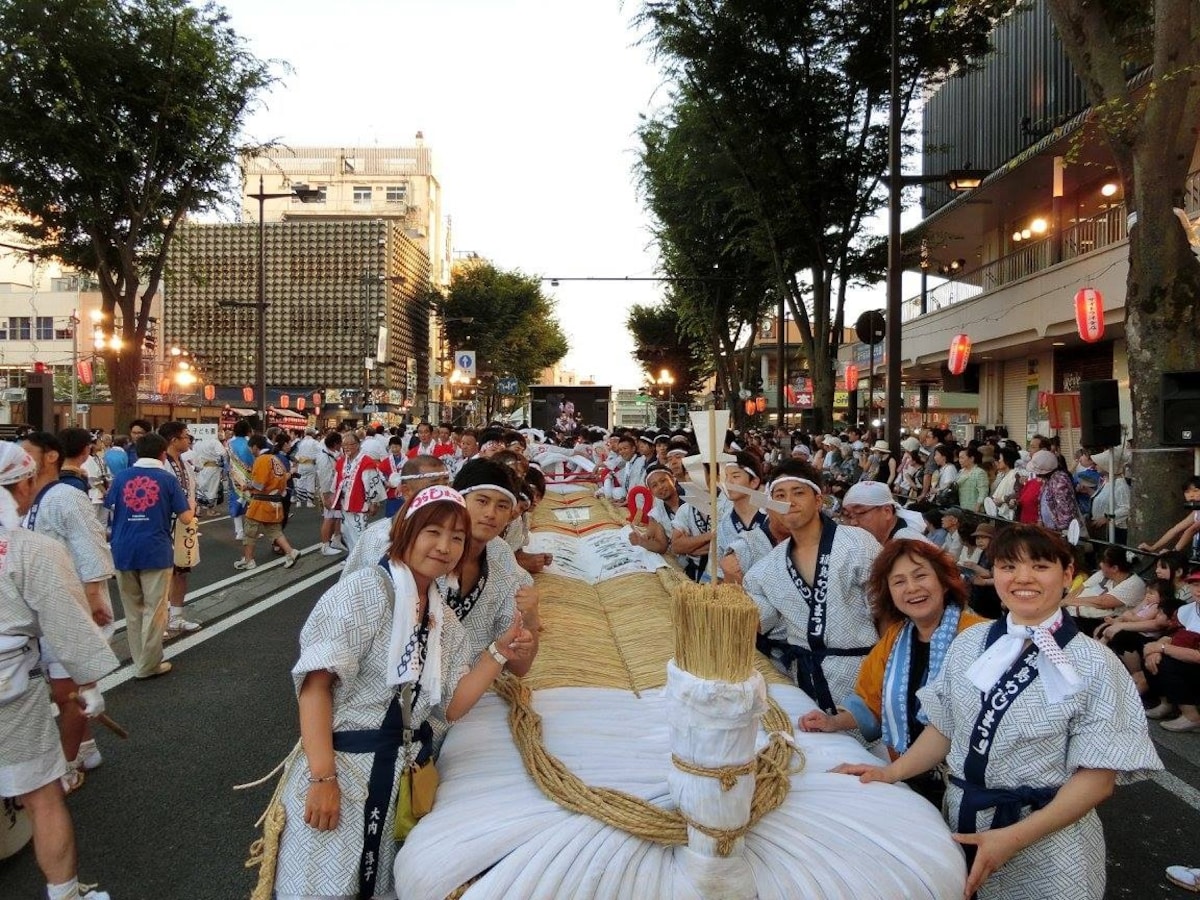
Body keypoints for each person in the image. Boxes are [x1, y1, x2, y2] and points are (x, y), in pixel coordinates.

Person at [834, 524, 1162, 900]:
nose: (1022, 578)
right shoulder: (971, 641)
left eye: (1039, 566)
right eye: (1008, 567)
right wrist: (890, 772)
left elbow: (1099, 779)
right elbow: (945, 727)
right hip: (963, 823)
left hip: (1049, 843)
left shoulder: (1097, 663)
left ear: (1068, 574)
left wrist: (1013, 837)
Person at [271, 486, 534, 900]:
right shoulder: (364, 591)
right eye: (433, 531)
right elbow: (316, 686)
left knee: (380, 888)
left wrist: (499, 652)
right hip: (345, 769)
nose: (445, 547)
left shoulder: (440, 615)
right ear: (406, 530)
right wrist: (322, 776)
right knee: (321, 887)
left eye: (457, 538)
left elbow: (451, 704)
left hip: (402, 779)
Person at [0, 443, 119, 900]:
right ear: (24, 484)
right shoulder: (30, 550)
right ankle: (66, 893)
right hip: (10, 690)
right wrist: (87, 682)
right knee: (42, 797)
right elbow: (64, 623)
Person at [801, 539, 985, 804]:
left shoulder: (977, 635)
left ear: (944, 582)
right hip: (909, 775)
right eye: (898, 582)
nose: (911, 588)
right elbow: (871, 702)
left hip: (965, 781)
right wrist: (831, 722)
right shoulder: (895, 639)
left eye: (920, 576)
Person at [743, 459, 882, 713]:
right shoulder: (765, 570)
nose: (790, 501)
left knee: (869, 751)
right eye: (780, 495)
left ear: (819, 500)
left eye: (799, 492)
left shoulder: (858, 545)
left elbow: (887, 615)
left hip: (865, 675)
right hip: (807, 685)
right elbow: (760, 622)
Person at [19, 431, 115, 790]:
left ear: (50, 457)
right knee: (62, 689)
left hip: (74, 604)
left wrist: (93, 598)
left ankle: (68, 762)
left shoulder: (66, 497)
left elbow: (91, 545)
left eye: (27, 453)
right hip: (44, 604)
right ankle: (87, 748)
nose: (20, 460)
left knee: (68, 691)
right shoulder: (28, 498)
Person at [106, 432, 194, 679]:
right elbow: (186, 517)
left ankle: (140, 660)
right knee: (155, 609)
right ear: (163, 453)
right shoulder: (166, 479)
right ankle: (149, 665)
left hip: (123, 548)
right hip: (155, 548)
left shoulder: (122, 477)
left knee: (132, 610)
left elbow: (109, 507)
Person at [1140, 569, 1200, 732]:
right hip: (1186, 657)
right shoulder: (1188, 609)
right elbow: (1172, 634)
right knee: (1148, 652)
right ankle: (1166, 703)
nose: (1198, 589)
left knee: (1167, 662)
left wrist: (1162, 648)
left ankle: (1192, 716)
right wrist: (1154, 650)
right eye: (1195, 585)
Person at [158, 421, 202, 637]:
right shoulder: (162, 463)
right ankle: (161, 619)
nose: (188, 440)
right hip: (167, 522)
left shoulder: (184, 460)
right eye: (185, 436)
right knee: (165, 572)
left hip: (185, 521)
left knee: (182, 570)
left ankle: (176, 616)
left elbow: (191, 489)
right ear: (173, 440)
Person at [236, 433, 301, 571]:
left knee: (250, 532)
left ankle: (248, 560)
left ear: (254, 447)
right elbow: (284, 479)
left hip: (261, 502)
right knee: (275, 531)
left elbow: (259, 484)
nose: (249, 451)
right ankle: (291, 552)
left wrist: (247, 485)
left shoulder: (261, 460)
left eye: (250, 448)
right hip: (275, 501)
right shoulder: (275, 459)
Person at [1064, 545, 1147, 637]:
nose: (1100, 565)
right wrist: (1064, 602)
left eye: (1103, 562)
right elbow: (1081, 588)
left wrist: (1069, 602)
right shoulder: (1103, 574)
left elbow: (1103, 602)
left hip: (1109, 621)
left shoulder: (1134, 584)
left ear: (1115, 568)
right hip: (1080, 614)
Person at [331, 430, 384, 551]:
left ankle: (361, 560)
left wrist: (374, 502)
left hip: (360, 502)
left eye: (351, 444)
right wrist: (331, 495)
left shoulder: (366, 462)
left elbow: (372, 484)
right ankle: (352, 557)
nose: (347, 447)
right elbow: (336, 481)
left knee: (359, 532)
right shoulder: (341, 461)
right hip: (345, 501)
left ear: (358, 445)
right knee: (346, 532)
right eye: (344, 445)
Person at [838, 480, 931, 545]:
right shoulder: (875, 542)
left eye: (860, 513)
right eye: (848, 516)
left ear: (887, 512)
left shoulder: (908, 544)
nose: (853, 522)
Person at [1138, 477, 1200, 558]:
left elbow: (1192, 530)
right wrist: (1153, 547)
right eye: (1187, 492)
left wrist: (1173, 552)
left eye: (1196, 491)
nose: (1191, 495)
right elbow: (1175, 530)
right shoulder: (1196, 512)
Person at [226, 418, 255, 541]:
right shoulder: (250, 443)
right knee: (252, 503)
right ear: (248, 430)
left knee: (236, 500)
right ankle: (251, 531)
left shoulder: (229, 443)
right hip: (249, 475)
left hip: (235, 476)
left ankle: (239, 531)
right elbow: (255, 460)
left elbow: (226, 460)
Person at [317, 431, 345, 556]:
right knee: (329, 517)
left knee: (337, 516)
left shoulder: (332, 454)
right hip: (329, 491)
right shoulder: (324, 457)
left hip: (335, 490)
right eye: (340, 443)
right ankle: (325, 545)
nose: (342, 446)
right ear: (335, 444)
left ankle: (336, 539)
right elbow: (325, 478)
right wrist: (326, 495)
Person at [955, 446, 989, 513]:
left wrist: (977, 507)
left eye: (962, 458)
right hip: (962, 508)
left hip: (975, 510)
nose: (960, 460)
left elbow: (983, 492)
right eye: (959, 458)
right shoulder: (961, 472)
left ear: (971, 459)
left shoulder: (980, 472)